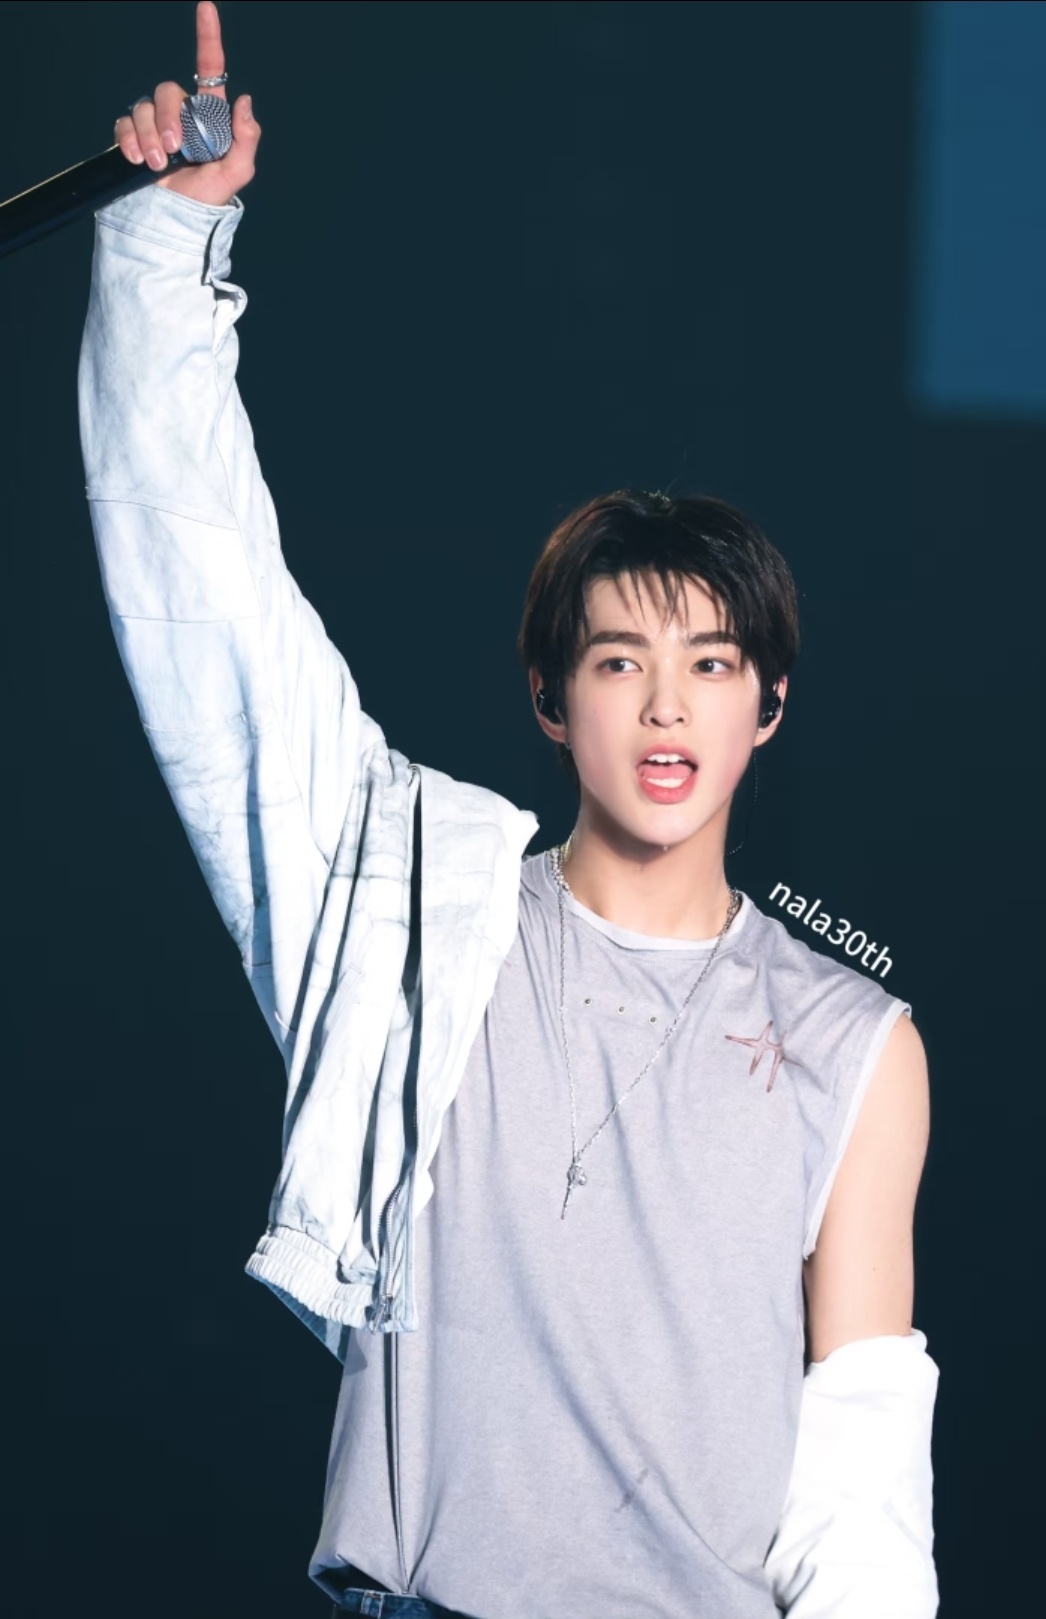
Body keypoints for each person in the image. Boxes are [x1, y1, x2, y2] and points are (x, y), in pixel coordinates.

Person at [81, 5, 939, 1615]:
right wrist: (166, 252)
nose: (667, 706)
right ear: (552, 700)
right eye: (620, 662)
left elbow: (863, 1462)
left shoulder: (857, 1041)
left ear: (768, 705)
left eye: (712, 663)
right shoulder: (409, 911)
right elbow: (218, 621)